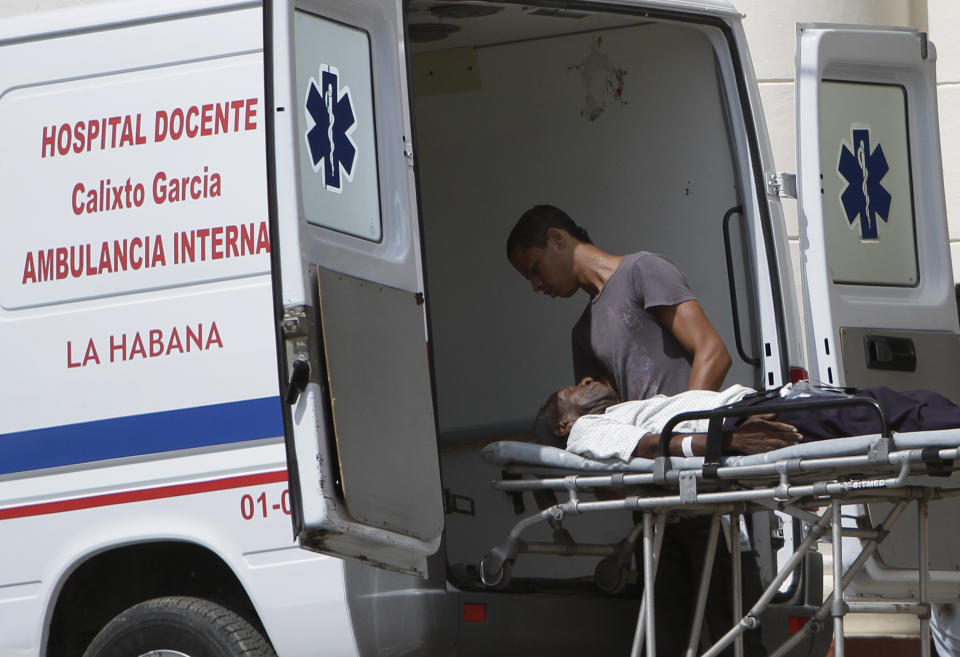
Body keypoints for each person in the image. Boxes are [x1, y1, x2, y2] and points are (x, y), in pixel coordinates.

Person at [506, 204, 731, 399]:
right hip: (647, 448)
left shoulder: (641, 270)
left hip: (690, 443)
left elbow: (713, 353)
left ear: (557, 239)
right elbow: (600, 412)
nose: (536, 285)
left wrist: (684, 431)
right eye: (529, 279)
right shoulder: (582, 334)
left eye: (535, 269)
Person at [537, 377, 960, 461]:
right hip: (745, 419)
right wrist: (731, 440)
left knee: (907, 406)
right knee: (901, 411)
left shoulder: (614, 413)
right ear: (563, 424)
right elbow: (650, 444)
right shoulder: (585, 432)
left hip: (758, 406)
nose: (585, 381)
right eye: (570, 391)